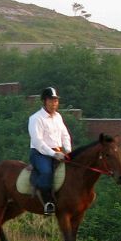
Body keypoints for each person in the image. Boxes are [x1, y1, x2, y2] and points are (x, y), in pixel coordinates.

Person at [28, 87, 72, 215]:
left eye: (56, 101)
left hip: (58, 152)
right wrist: (53, 154)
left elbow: (65, 135)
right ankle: (48, 204)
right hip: (39, 153)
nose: (54, 104)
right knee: (47, 172)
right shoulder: (36, 118)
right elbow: (38, 142)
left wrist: (68, 150)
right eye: (51, 101)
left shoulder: (58, 116)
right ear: (45, 101)